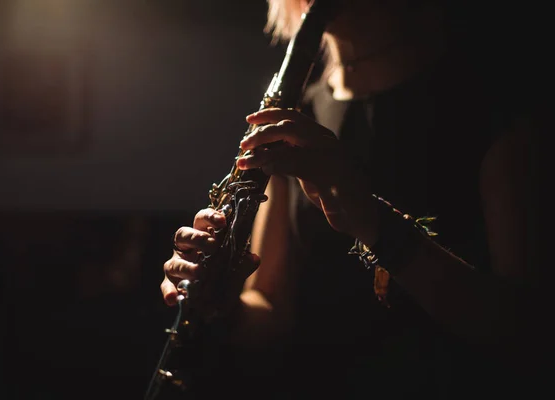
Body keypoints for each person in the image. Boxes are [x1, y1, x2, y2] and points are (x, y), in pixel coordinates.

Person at [159, 0, 545, 398]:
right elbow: (271, 309)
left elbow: (529, 335)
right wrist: (221, 305)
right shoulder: (301, 112)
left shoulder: (498, 102)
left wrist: (374, 222)